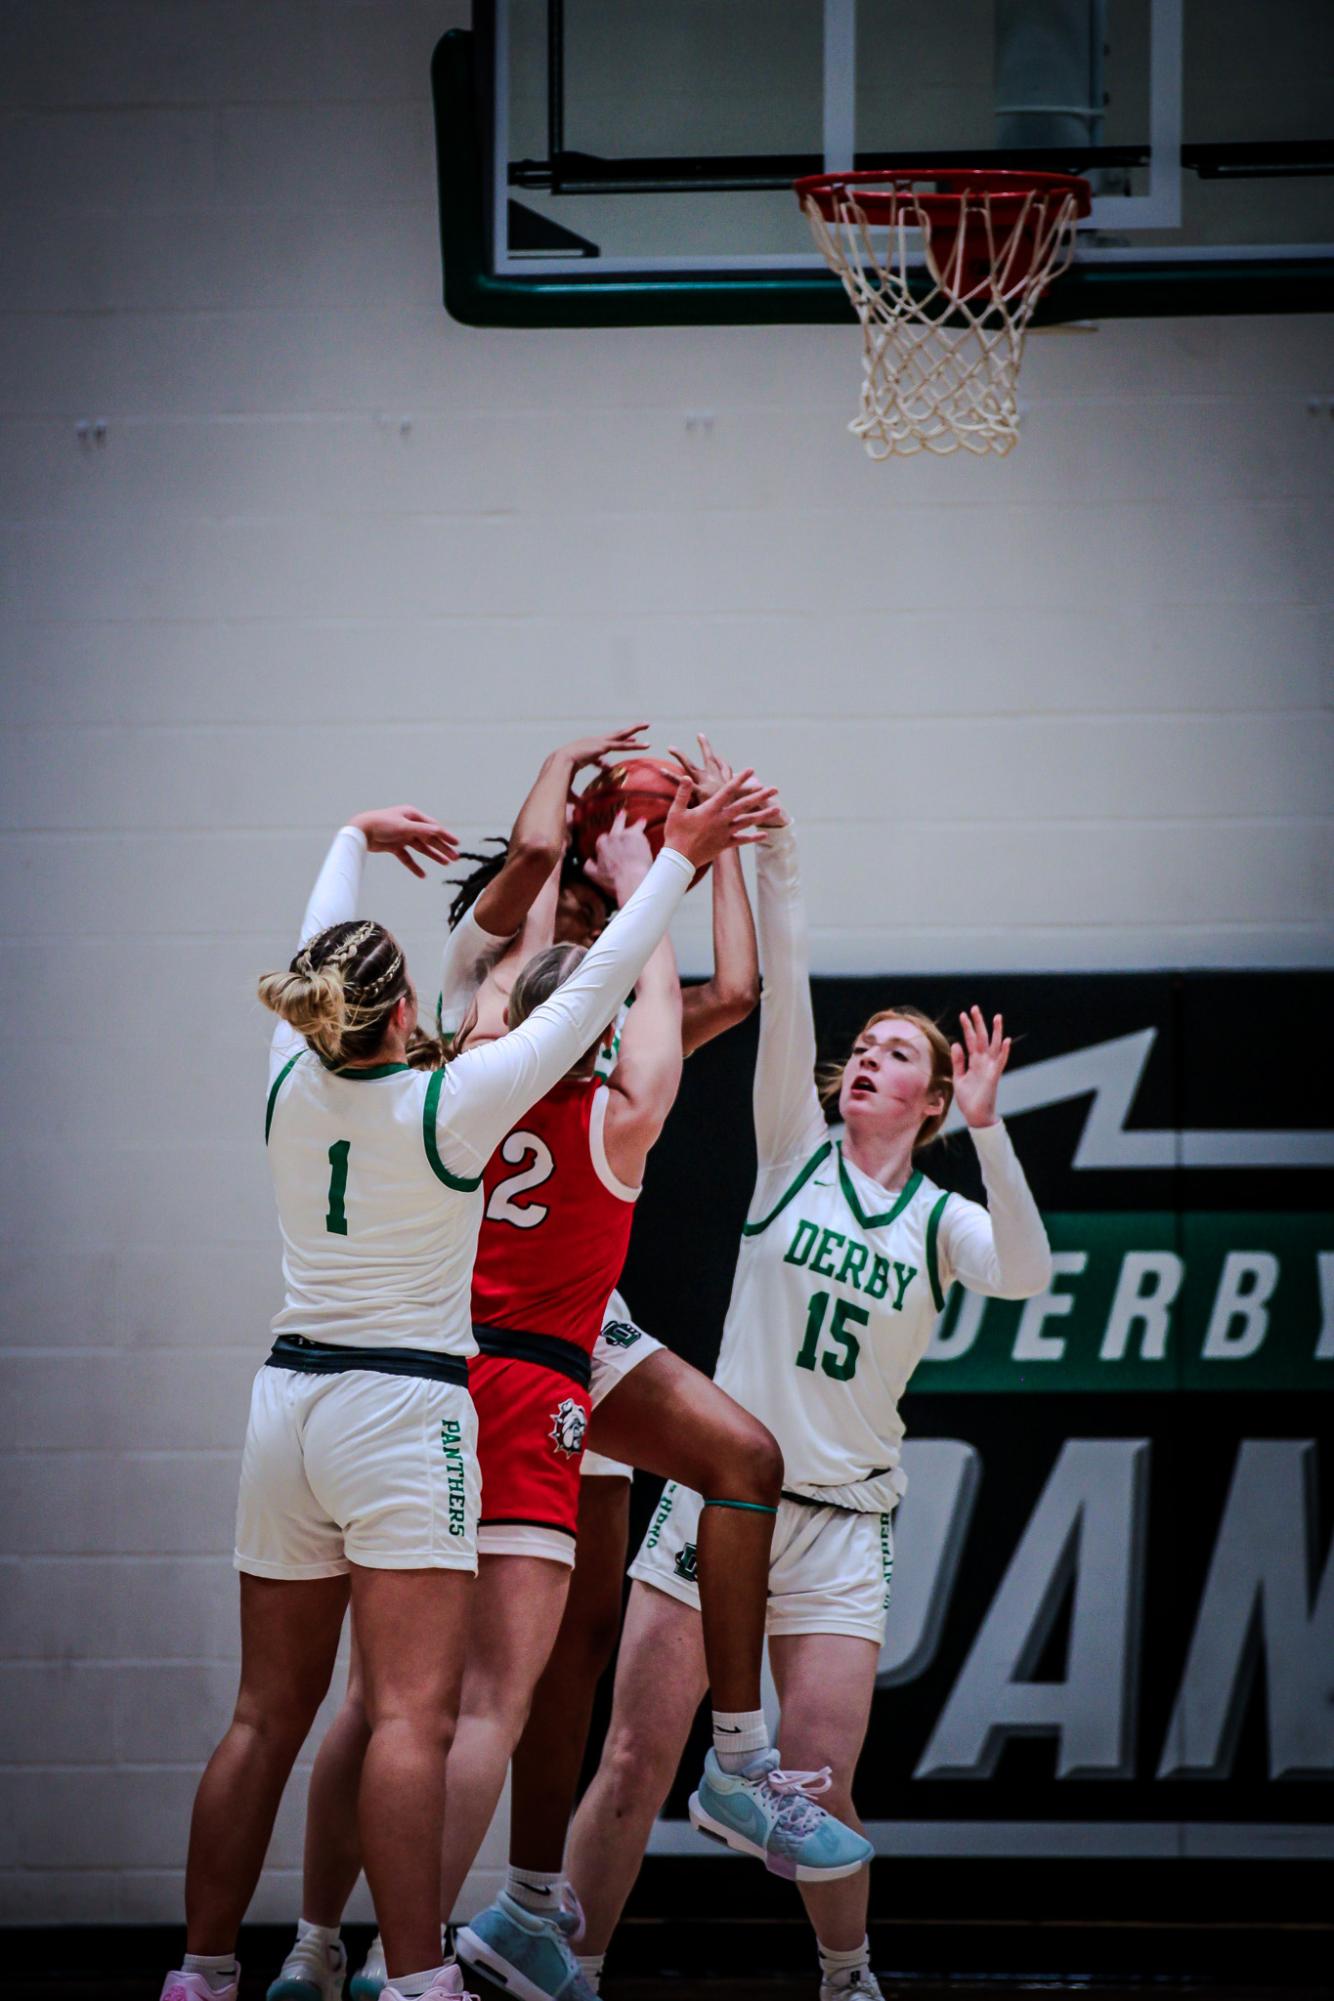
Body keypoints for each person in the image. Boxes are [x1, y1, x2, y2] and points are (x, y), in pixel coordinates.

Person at [158, 774, 772, 2001]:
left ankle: (215, 1968)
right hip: (426, 1402)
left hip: (287, 1404)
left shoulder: (290, 1077)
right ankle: (422, 1970)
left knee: (270, 1718)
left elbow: (408, 960)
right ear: (411, 1024)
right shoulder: (461, 1108)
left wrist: (343, 835)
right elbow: (600, 991)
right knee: (425, 1718)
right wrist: (676, 862)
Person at [562, 804, 1054, 2001]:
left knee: (816, 1792)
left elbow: (1027, 1274)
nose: (868, 1059)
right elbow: (782, 985)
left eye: (897, 1055)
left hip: (840, 1519)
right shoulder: (790, 1149)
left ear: (930, 1102)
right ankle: (565, 1962)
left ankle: (847, 1976)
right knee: (631, 1757)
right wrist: (766, 857)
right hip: (718, 1502)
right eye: (866, 1045)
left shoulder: (940, 1218)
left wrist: (990, 1140)